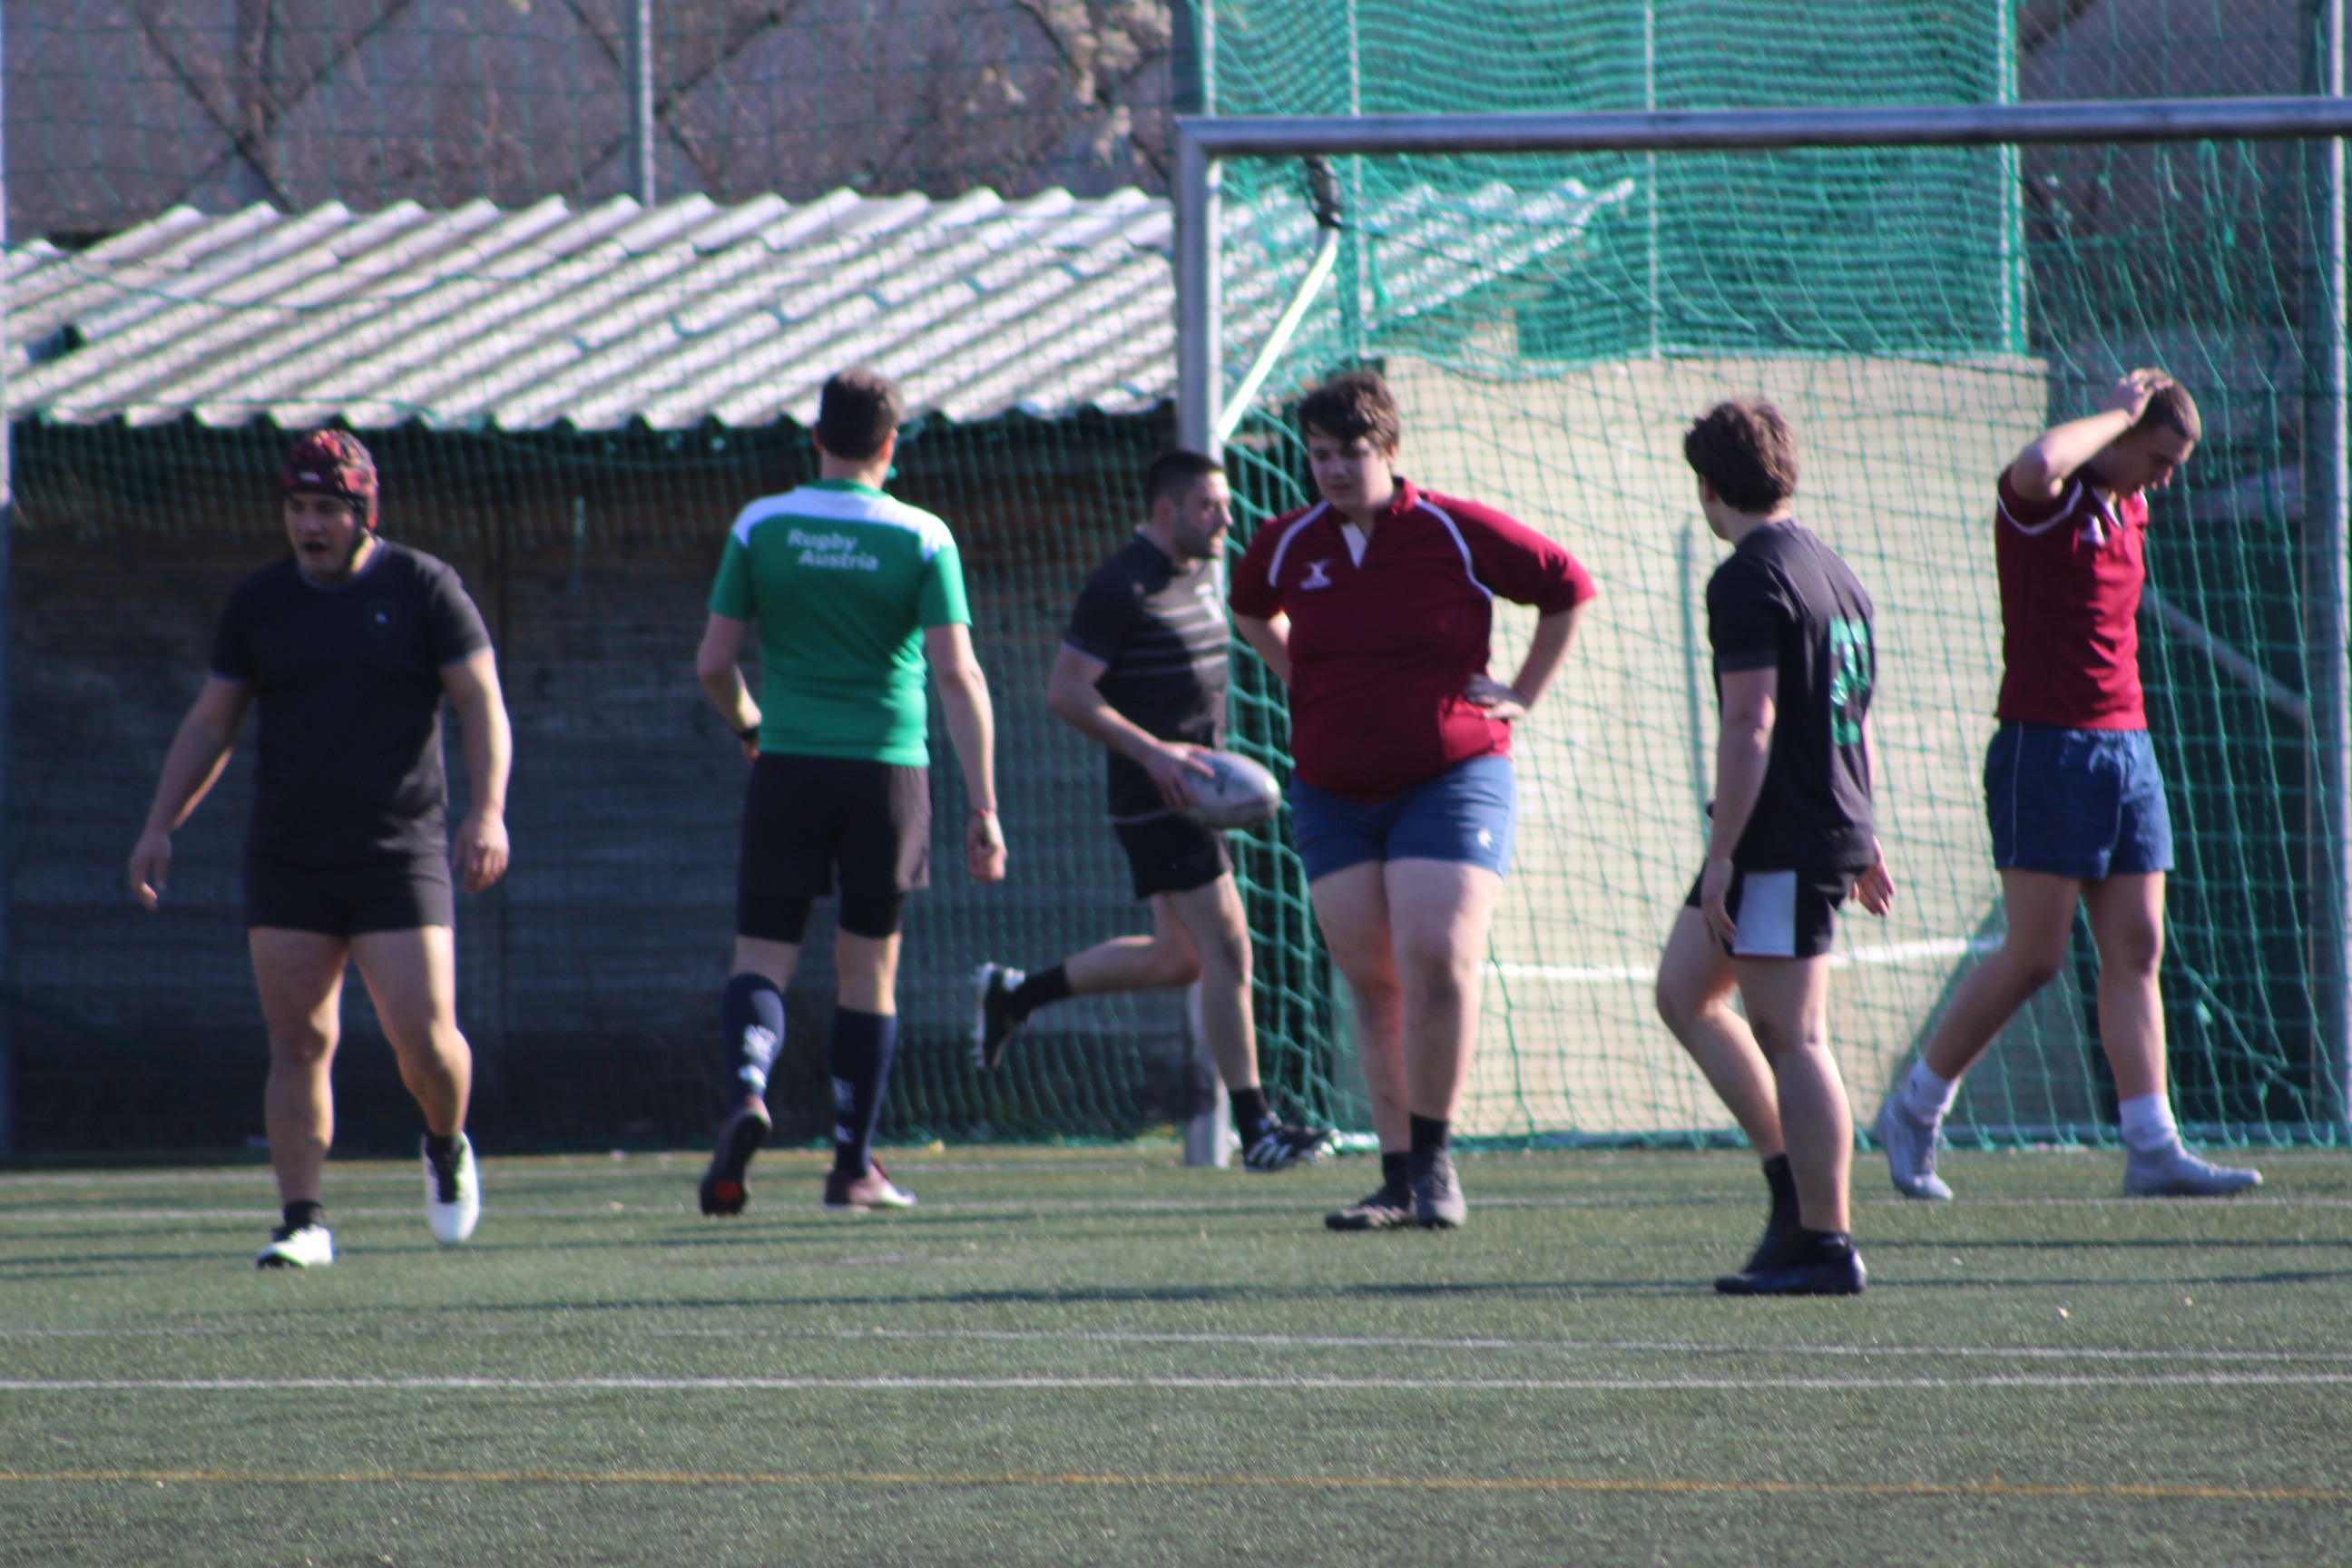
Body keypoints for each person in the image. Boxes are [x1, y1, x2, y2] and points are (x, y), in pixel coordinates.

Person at [129, 431, 511, 1269]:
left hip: (399, 852)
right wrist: (160, 824)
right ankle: (302, 1221)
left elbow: (480, 701)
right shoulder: (260, 603)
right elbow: (212, 721)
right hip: (289, 856)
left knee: (426, 1040)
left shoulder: (424, 587)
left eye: (328, 509)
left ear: (363, 511)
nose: (309, 524)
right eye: (297, 507)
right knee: (299, 1041)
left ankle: (444, 1142)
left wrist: (488, 813)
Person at [1877, 369, 2261, 1201]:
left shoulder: (2134, 505)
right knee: (2036, 956)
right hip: (2046, 749)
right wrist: (2119, 411)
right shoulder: (2045, 501)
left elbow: (2128, 498)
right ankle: (1915, 1108)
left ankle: (2152, 1146)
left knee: (2138, 946)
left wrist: (2139, 449)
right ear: (2120, 436)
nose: (2166, 479)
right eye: (2158, 458)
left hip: (2129, 748)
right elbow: (2036, 462)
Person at [1228, 370, 1594, 1230]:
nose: (1333, 469)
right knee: (1372, 979)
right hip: (1332, 793)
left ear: (1389, 449)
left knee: (1437, 956)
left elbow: (1566, 585)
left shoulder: (1453, 529)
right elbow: (1250, 610)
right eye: (1320, 454)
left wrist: (1523, 693)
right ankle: (1396, 1180)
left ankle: (1434, 1168)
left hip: (1451, 778)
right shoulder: (1286, 543)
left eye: (1351, 452)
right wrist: (1301, 678)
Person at [694, 367, 1005, 1217]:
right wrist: (984, 806)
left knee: (762, 956)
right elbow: (958, 674)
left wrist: (752, 727)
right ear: (891, 445)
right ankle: (851, 1166)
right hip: (888, 776)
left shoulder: (761, 524)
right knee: (868, 973)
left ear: (816, 437)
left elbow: (714, 663)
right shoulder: (924, 536)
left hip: (788, 766)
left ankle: (749, 1087)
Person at [970, 450, 1330, 1171]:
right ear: (1165, 511)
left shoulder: (1201, 574)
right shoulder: (1120, 585)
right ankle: (1257, 1128)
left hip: (1199, 789)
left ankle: (1014, 994)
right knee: (1229, 950)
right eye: (1209, 506)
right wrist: (1156, 755)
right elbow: (1067, 691)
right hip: (1161, 796)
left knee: (1179, 960)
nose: (1225, 517)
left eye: (1226, 503)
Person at [1652, 401, 1889, 1296]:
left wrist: (1723, 856)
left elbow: (1752, 723)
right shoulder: (1834, 569)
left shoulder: (1749, 577)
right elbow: (1853, 719)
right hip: (1811, 823)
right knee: (1685, 992)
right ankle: (1792, 1186)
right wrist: (1864, 832)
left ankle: (1825, 1241)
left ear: (1709, 486)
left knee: (1793, 1035)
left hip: (1779, 834)